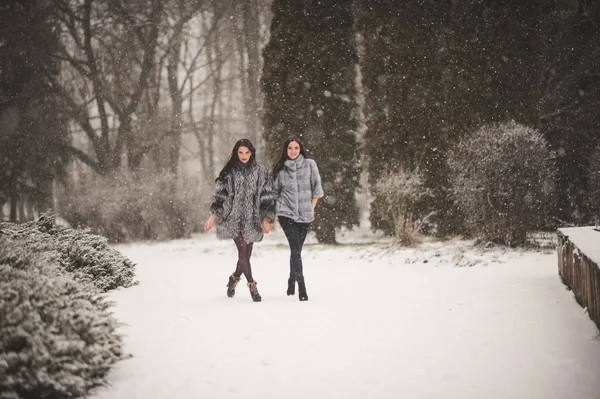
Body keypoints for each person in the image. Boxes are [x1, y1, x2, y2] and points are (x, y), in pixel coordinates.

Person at [204, 139, 276, 302]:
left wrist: (266, 218)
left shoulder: (261, 171)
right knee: (242, 251)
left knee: (246, 255)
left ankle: (234, 279)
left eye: (247, 152)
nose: (244, 156)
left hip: (252, 218)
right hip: (233, 217)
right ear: (236, 153)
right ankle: (252, 286)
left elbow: (267, 197)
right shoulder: (229, 172)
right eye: (240, 152)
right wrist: (213, 216)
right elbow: (220, 196)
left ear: (252, 153)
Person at [272, 138, 324, 301]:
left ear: (300, 149)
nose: (293, 151)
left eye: (296, 148)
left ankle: (291, 278)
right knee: (295, 248)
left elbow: (317, 190)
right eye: (290, 148)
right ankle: (302, 285)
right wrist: (277, 208)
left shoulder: (310, 165)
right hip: (285, 214)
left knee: (297, 250)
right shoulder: (281, 170)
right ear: (285, 150)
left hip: (305, 215)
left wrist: (310, 208)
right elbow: (275, 192)